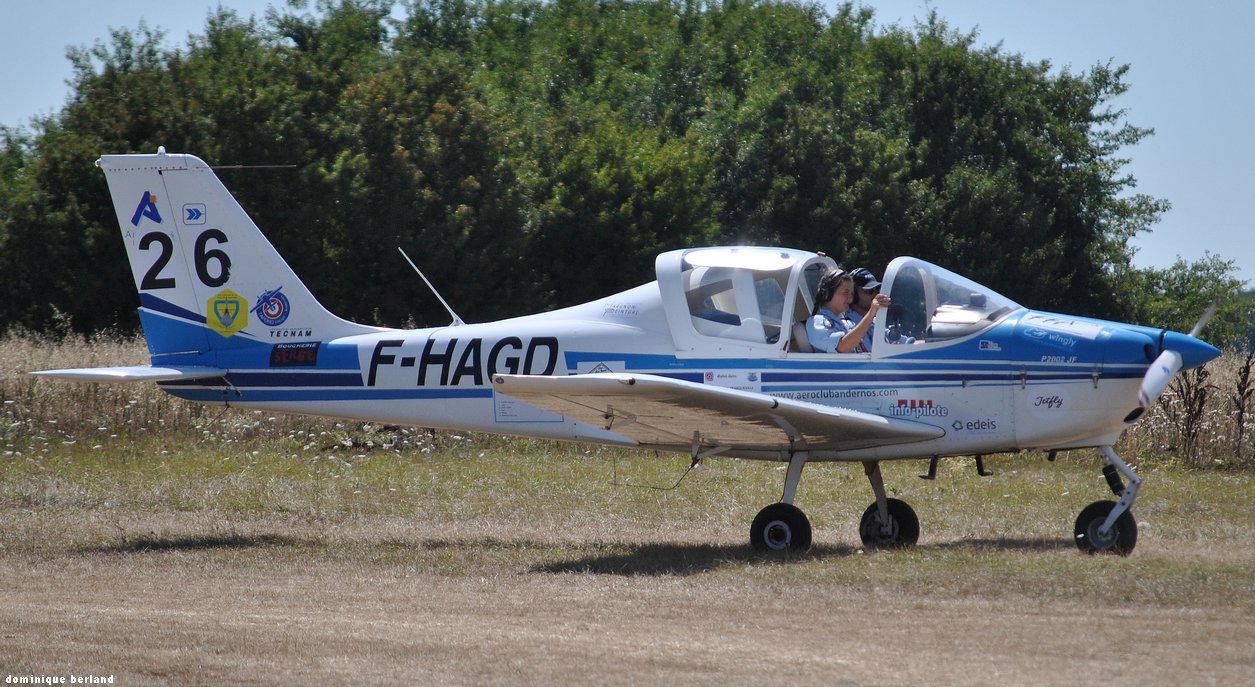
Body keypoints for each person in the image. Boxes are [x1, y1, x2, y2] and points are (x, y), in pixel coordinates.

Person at [806, 269, 891, 353]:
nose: (850, 299)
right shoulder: (816, 322)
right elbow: (842, 347)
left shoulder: (847, 323)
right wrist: (871, 313)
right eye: (845, 292)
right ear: (828, 293)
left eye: (851, 294)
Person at [848, 267, 913, 348]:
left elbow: (907, 343)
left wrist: (930, 343)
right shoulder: (846, 324)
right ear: (853, 294)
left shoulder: (875, 323)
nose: (875, 294)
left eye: (877, 290)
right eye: (869, 291)